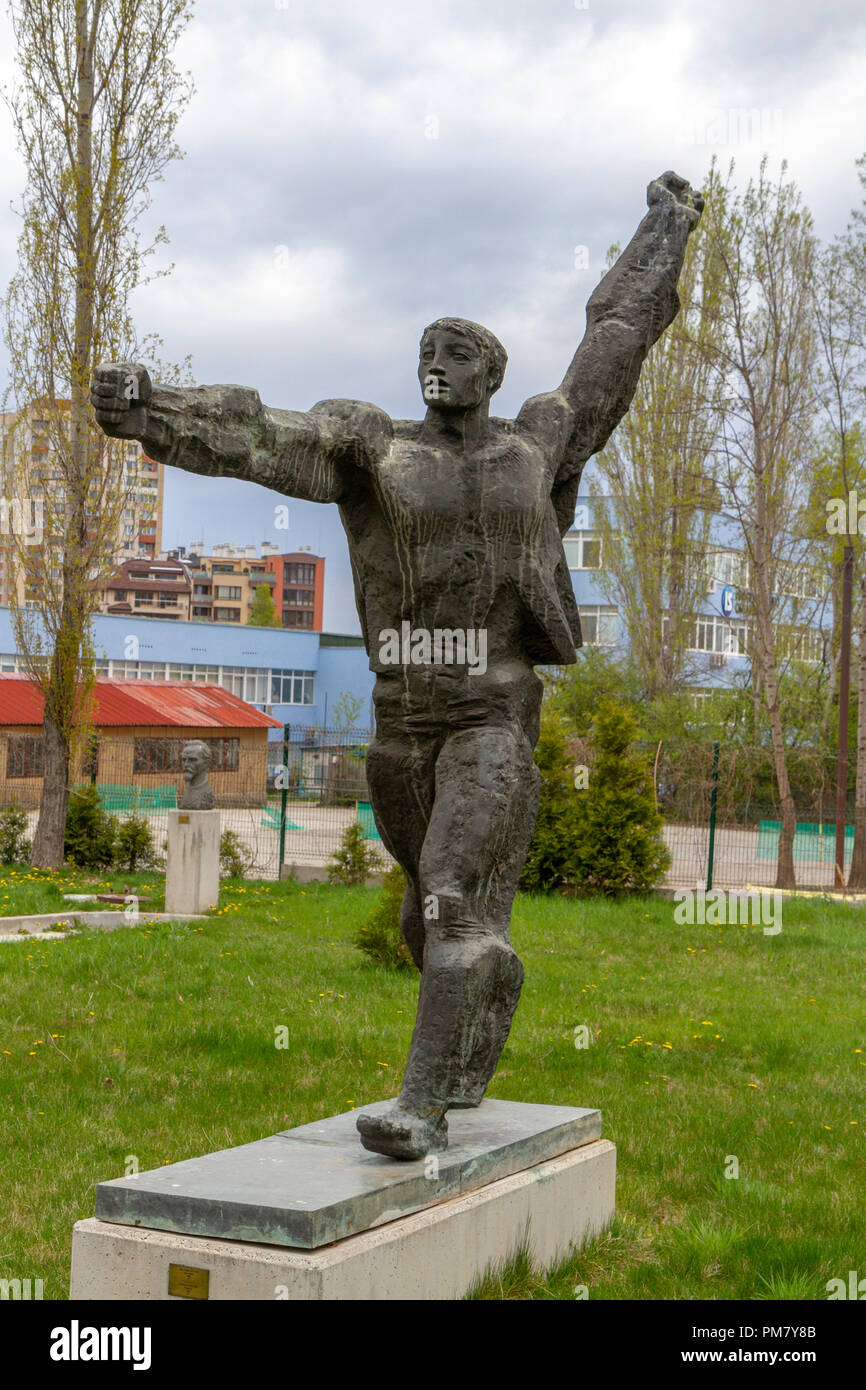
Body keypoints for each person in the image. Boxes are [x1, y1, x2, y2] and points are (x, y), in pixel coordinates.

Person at [92, 170, 703, 1158]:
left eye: (454, 351)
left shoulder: (532, 445)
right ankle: (472, 1010)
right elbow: (254, 431)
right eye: (425, 348)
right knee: (437, 925)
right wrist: (152, 410)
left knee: (455, 892)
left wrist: (664, 229)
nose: (434, 360)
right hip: (398, 730)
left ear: (489, 373)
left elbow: (614, 342)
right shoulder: (369, 447)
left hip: (489, 717)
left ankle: (417, 1105)